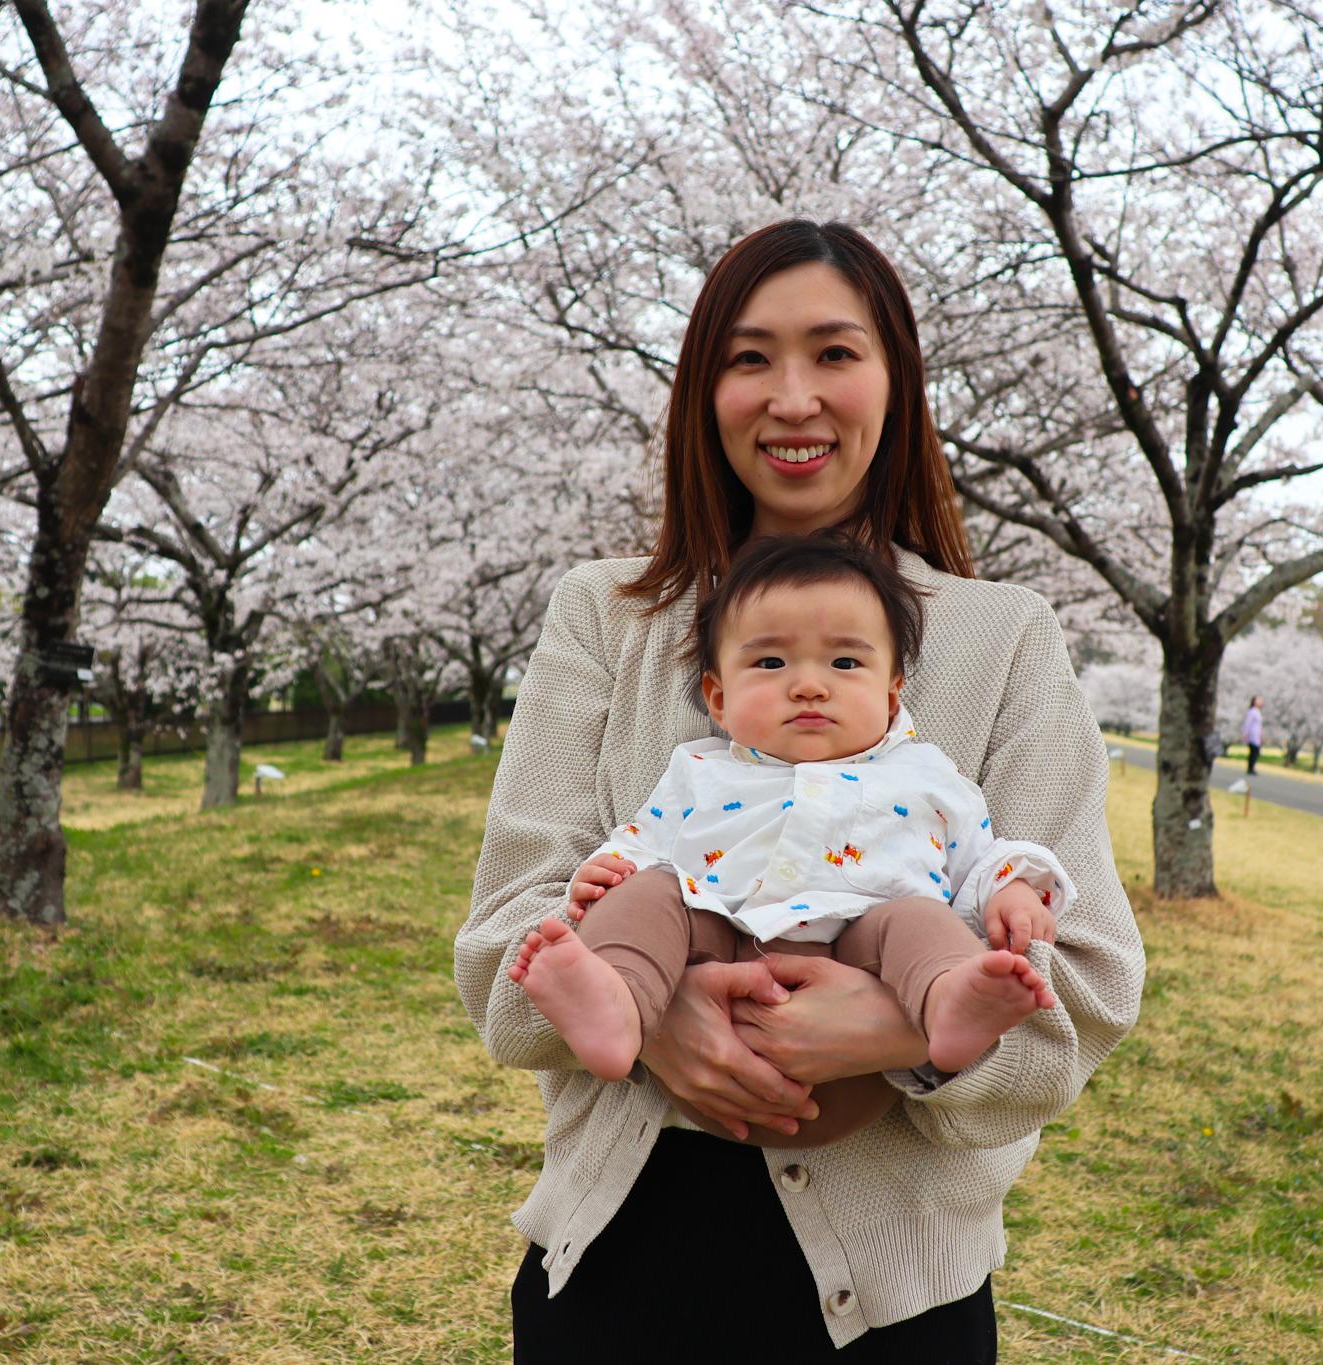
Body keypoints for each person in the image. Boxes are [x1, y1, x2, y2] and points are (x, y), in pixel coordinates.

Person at [454, 219, 1145, 1363]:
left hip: (899, 1297)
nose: (791, 398)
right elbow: (500, 951)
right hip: (617, 1263)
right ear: (702, 391)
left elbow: (1086, 983)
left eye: (833, 353)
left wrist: (897, 1030)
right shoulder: (605, 617)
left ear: (895, 380)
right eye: (748, 358)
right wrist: (653, 1013)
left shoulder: (1001, 636)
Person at [509, 533, 1069, 1083]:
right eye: (772, 662)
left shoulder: (928, 774)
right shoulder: (699, 768)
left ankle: (948, 1001)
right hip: (717, 935)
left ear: (890, 696)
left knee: (921, 921)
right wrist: (604, 873)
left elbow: (978, 860)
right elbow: (641, 843)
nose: (808, 686)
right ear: (719, 699)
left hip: (864, 947)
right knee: (650, 895)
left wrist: (1012, 890)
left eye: (844, 663)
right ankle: (619, 1000)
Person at [1242, 695, 1264, 775]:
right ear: (1254, 701)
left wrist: (1260, 736)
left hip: (1256, 735)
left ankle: (1251, 768)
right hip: (1252, 735)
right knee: (1254, 752)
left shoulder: (1258, 712)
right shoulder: (1252, 712)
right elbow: (1247, 723)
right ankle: (1250, 769)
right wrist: (1245, 734)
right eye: (1259, 700)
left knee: (1255, 752)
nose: (1261, 702)